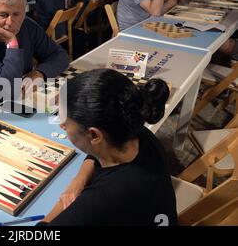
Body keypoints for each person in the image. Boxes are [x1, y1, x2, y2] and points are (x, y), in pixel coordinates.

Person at [37, 68, 178, 225]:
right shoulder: (135, 133)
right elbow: (97, 152)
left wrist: (56, 211)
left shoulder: (103, 199)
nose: (62, 125)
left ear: (94, 135)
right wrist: (79, 180)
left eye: (65, 120)